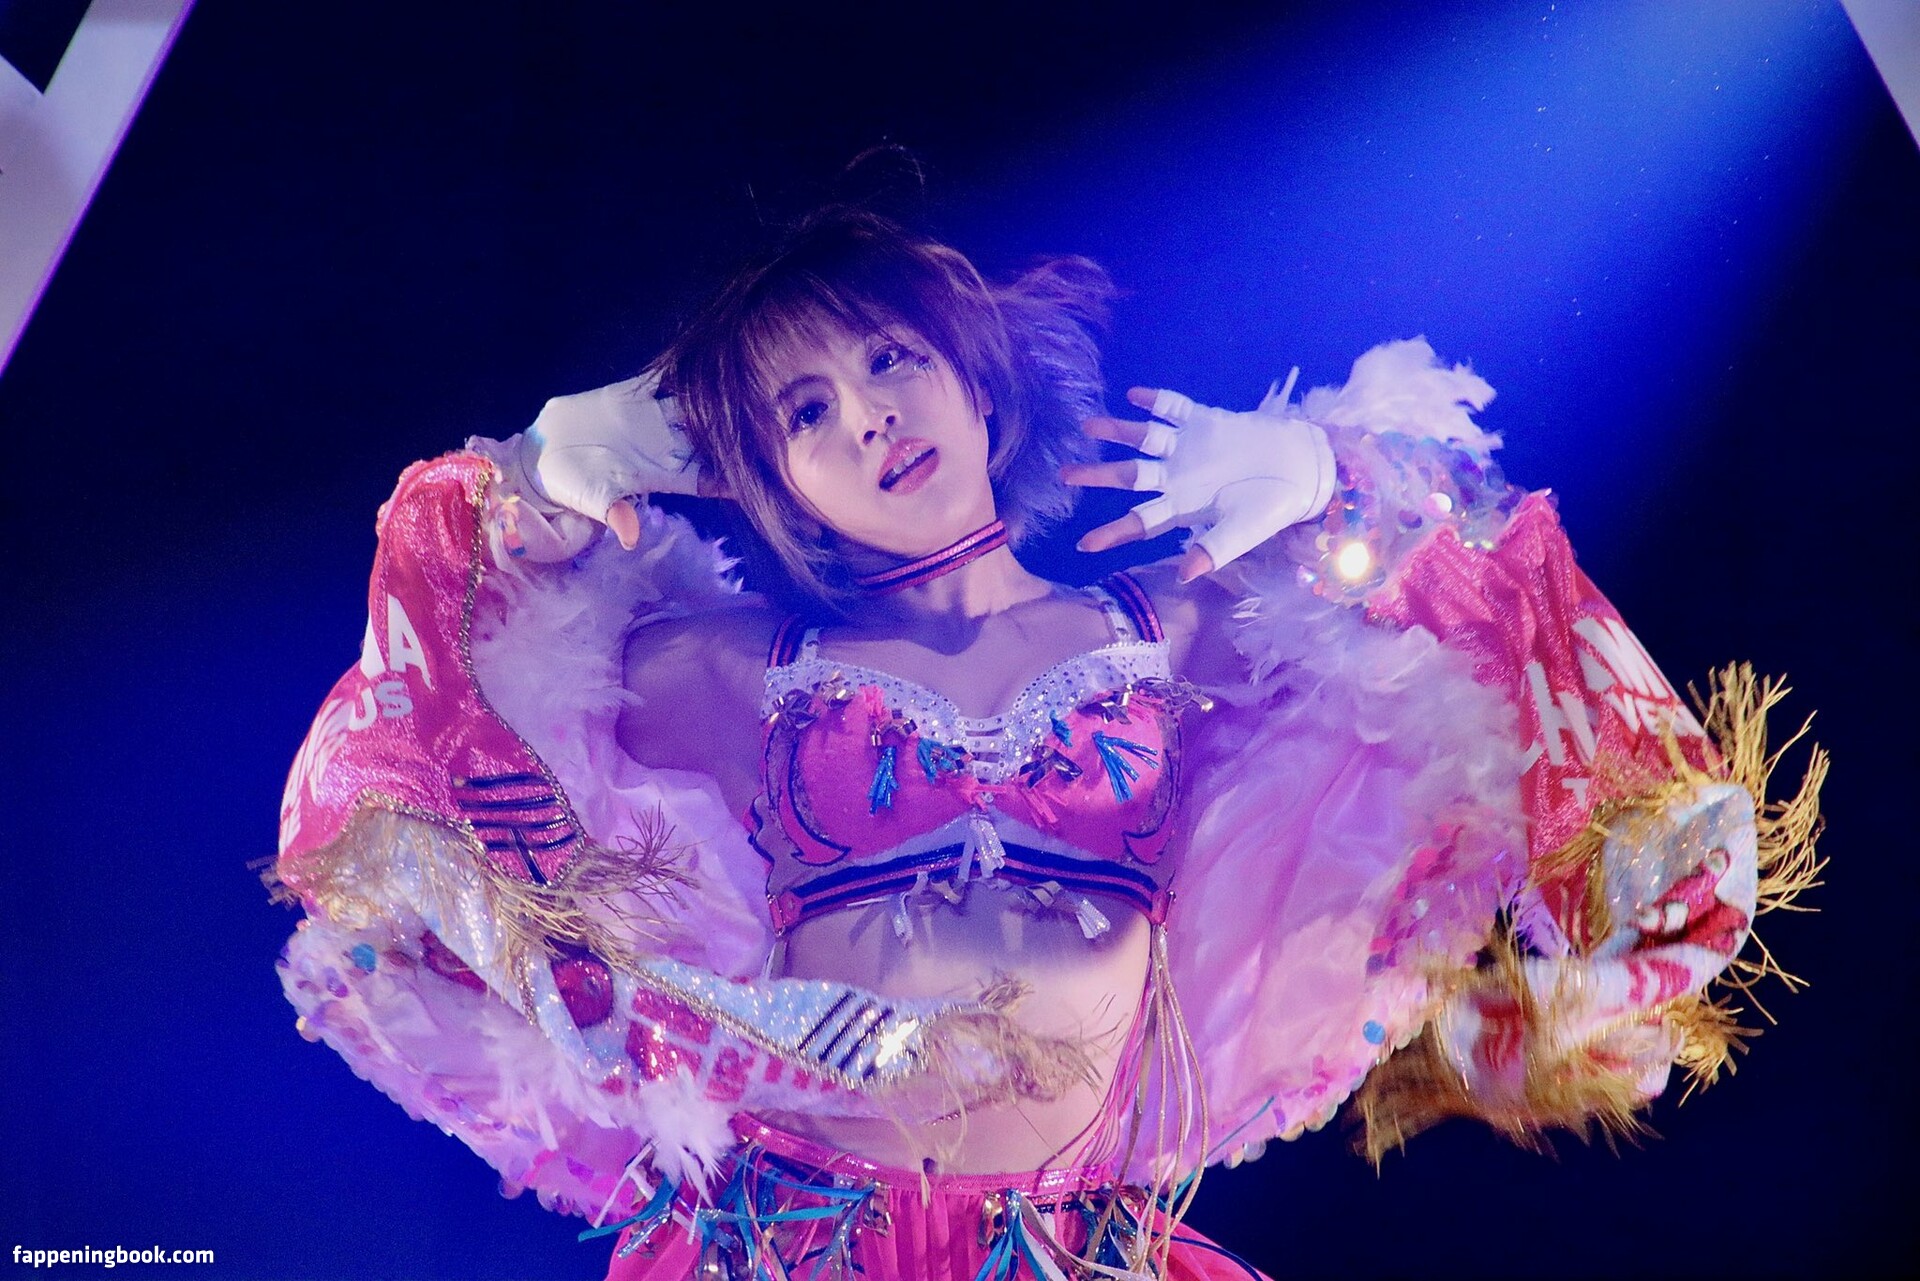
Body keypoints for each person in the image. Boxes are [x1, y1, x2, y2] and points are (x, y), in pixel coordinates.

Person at [270, 208, 1823, 1279]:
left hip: (1078, 1244)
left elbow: (1487, 615)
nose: (869, 417)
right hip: (790, 1244)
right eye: (802, 411)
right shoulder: (734, 671)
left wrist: (1328, 479)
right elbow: (444, 679)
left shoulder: (1176, 627)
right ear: (768, 479)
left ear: (970, 369)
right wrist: (547, 467)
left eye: (890, 359)